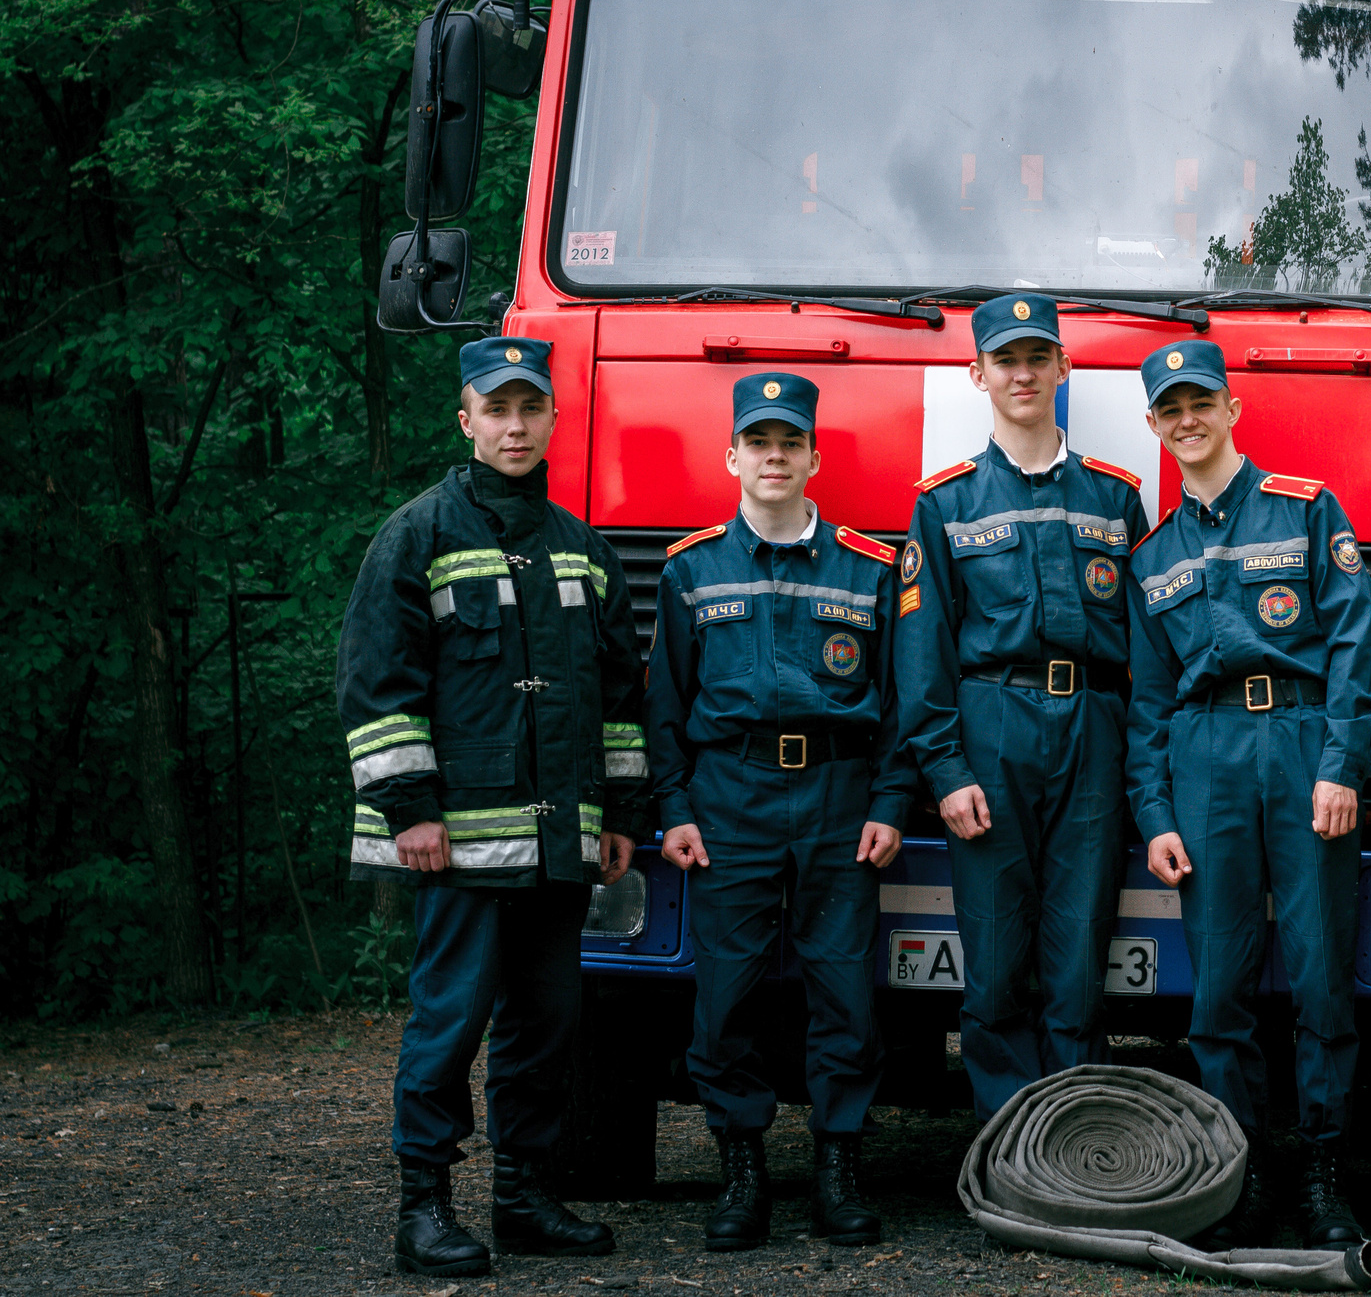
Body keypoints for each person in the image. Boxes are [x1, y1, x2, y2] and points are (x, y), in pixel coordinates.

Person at [338, 336, 646, 1277]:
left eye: (530, 407)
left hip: (559, 843)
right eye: (497, 408)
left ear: (553, 416)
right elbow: (376, 684)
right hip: (456, 843)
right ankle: (422, 1207)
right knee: (450, 1021)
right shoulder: (417, 535)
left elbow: (619, 698)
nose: (515, 426)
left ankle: (524, 1197)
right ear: (465, 419)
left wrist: (619, 813)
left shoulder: (584, 549)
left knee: (546, 1024)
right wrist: (409, 807)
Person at [644, 372, 916, 1251]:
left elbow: (901, 701)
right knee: (726, 992)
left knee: (845, 988)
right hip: (730, 795)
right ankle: (742, 1171)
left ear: (814, 457)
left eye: (789, 442)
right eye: (758, 442)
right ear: (732, 456)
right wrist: (674, 807)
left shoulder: (868, 567)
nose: (774, 456)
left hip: (840, 796)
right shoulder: (692, 569)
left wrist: (889, 801)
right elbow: (663, 705)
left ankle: (838, 1168)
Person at [1124, 340, 1371, 1250]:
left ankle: (1321, 1173)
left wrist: (1341, 764)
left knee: (1321, 976)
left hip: (1304, 744)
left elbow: (1354, 642)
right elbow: (1148, 700)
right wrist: (1156, 814)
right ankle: (1239, 1177)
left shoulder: (1306, 509)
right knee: (1218, 989)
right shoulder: (1152, 554)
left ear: (1232, 409)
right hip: (1206, 758)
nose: (1188, 420)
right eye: (1171, 409)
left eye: (1202, 402)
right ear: (1155, 425)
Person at [896, 295, 1151, 1122]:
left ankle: (1071, 1147)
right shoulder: (944, 503)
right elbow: (922, 652)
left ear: (1063, 367)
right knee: (998, 960)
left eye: (1038, 356)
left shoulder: (1116, 498)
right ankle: (1007, 1148)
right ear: (978, 374)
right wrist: (946, 770)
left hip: (1093, 733)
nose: (1023, 373)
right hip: (991, 729)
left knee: (1079, 960)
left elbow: (1149, 650)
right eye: (1006, 359)